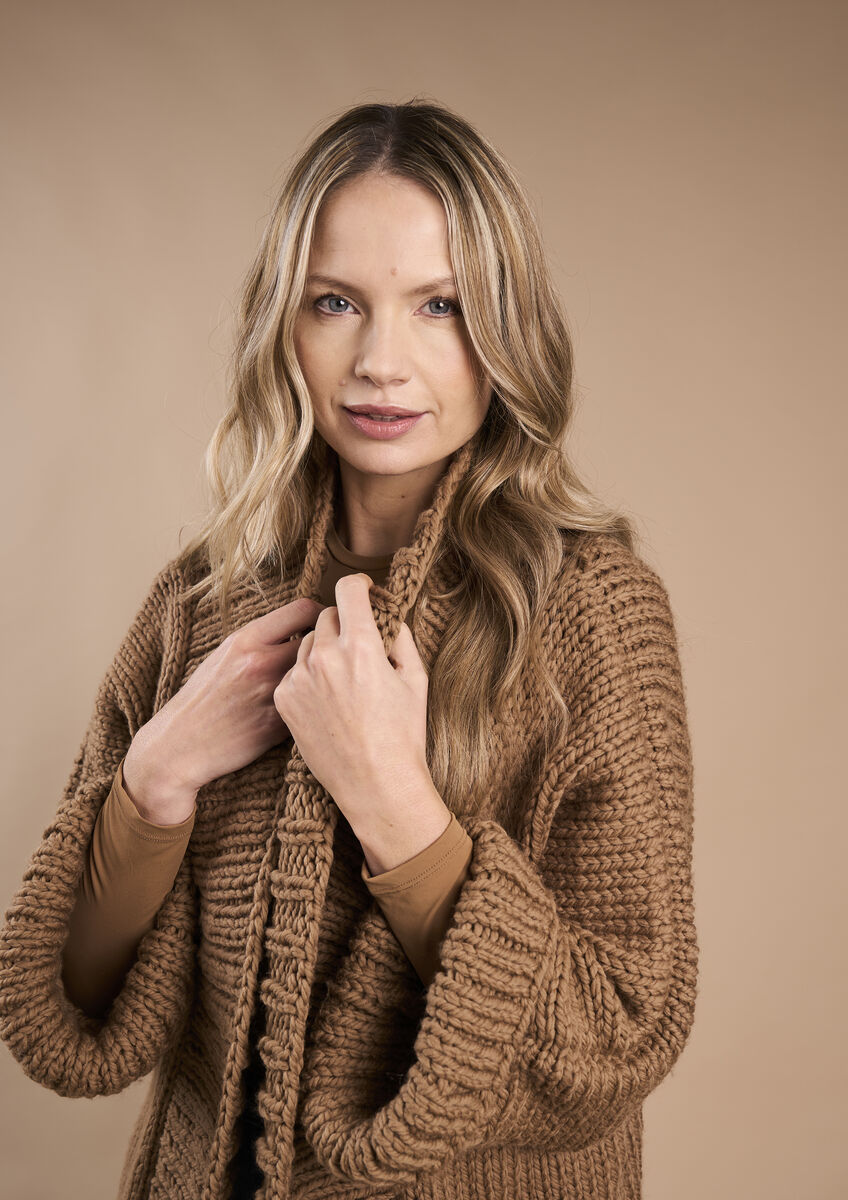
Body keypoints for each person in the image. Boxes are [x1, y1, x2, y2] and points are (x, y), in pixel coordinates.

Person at [0, 98, 699, 1200]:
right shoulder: (200, 601)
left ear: (505, 329)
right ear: (283, 323)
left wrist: (392, 800)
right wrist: (155, 781)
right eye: (335, 302)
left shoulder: (592, 613)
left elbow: (617, 1039)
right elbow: (71, 1000)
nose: (380, 361)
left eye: (439, 306)